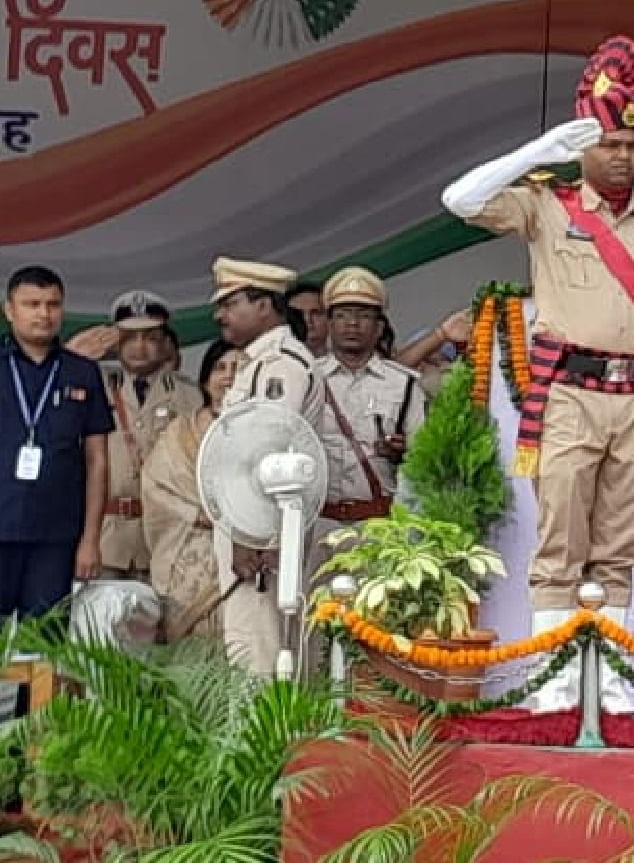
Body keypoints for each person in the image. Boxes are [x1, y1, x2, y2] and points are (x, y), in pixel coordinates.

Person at [441, 34, 634, 661]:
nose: (623, 158)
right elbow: (460, 199)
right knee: (560, 543)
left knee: (622, 547)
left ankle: (608, 679)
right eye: (610, 144)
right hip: (571, 393)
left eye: (633, 146)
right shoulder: (547, 206)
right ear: (583, 146)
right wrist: (539, 151)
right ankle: (550, 674)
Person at [209, 256, 327, 674]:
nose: (220, 315)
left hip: (263, 529)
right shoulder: (258, 361)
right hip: (256, 525)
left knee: (257, 643)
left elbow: (268, 451)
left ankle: (259, 738)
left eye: (230, 303)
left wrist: (249, 533)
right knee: (251, 638)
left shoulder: (282, 363)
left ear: (264, 306)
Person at [0, 266, 113, 622]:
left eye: (52, 304)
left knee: (46, 645)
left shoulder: (82, 372)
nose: (43, 314)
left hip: (57, 535)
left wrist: (91, 539)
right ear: (9, 310)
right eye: (31, 304)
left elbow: (97, 461)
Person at [313, 267, 427, 542]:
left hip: (381, 525)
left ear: (379, 328)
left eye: (363, 315)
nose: (352, 323)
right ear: (329, 325)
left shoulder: (405, 384)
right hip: (319, 525)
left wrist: (402, 454)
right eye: (342, 315)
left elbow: (424, 458)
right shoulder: (307, 379)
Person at [140, 341, 244, 639]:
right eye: (220, 368)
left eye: (239, 369)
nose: (228, 377)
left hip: (242, 557)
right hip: (187, 555)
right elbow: (154, 486)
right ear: (204, 378)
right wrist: (197, 513)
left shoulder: (262, 430)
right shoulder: (179, 431)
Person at [98, 290, 203, 579]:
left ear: (167, 343)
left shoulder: (189, 395)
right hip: (107, 538)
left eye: (150, 338)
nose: (139, 347)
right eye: (129, 338)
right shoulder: (96, 386)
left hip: (164, 535)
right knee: (99, 621)